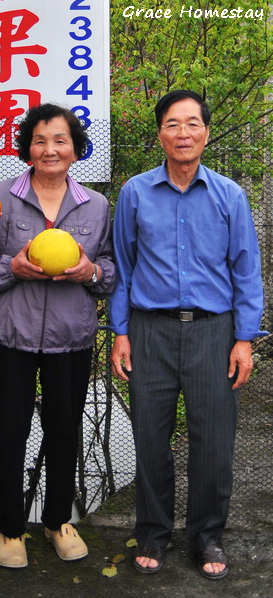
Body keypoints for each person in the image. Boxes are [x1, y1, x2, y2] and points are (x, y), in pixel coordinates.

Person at [109, 89, 268, 580]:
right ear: (159, 133)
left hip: (213, 333)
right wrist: (120, 332)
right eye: (173, 124)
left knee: (213, 441)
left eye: (192, 123)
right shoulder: (135, 192)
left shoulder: (230, 196)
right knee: (151, 438)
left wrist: (244, 339)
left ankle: (207, 535)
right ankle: (154, 531)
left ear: (205, 132)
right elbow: (123, 266)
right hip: (149, 331)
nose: (183, 133)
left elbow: (246, 270)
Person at [0, 103, 115, 568]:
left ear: (75, 149)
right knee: (10, 431)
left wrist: (90, 271)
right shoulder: (0, 197)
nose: (50, 149)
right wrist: (12, 266)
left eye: (60, 140)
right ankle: (10, 529)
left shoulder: (96, 205)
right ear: (28, 146)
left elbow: (110, 273)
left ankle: (56, 522)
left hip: (71, 337)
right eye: (41, 139)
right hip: (11, 335)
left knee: (64, 431)